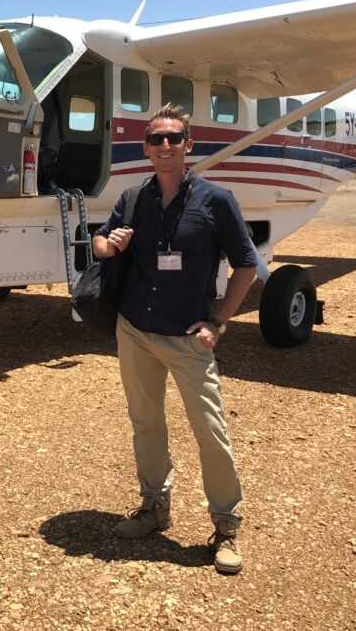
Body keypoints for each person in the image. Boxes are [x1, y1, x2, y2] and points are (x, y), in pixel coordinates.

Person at [92, 103, 257, 575]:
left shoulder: (216, 200)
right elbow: (100, 245)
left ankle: (226, 527)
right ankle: (154, 508)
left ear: (189, 145)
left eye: (174, 138)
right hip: (135, 331)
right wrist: (111, 243)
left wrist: (219, 321)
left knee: (210, 432)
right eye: (157, 139)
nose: (165, 146)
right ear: (146, 148)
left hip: (188, 338)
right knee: (146, 424)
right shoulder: (133, 197)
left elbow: (246, 264)